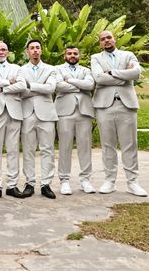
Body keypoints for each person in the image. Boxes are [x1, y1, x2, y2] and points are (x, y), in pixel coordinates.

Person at [91, 30, 147, 197]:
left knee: (130, 144)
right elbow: (98, 78)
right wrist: (124, 76)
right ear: (100, 43)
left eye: (109, 37)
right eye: (103, 39)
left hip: (126, 105)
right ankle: (109, 180)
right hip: (104, 106)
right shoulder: (96, 58)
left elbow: (136, 73)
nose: (106, 41)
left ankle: (132, 182)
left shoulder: (128, 55)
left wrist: (111, 73)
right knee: (107, 145)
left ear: (114, 39)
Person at [0, 41, 27, 200]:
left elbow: (22, 85)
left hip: (14, 111)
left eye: (4, 49)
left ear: (8, 52)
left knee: (13, 149)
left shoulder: (17, 68)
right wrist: (9, 82)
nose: (1, 52)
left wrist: (1, 88)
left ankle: (12, 185)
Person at [18, 39, 58, 199]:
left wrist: (31, 86)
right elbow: (21, 91)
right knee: (28, 150)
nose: (35, 50)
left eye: (37, 48)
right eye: (32, 48)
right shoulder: (20, 70)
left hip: (46, 114)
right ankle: (29, 183)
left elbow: (51, 88)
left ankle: (46, 184)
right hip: (27, 113)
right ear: (27, 51)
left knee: (48, 149)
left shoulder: (51, 69)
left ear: (41, 51)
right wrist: (39, 87)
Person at [54, 46, 96, 195]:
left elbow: (90, 85)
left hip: (84, 111)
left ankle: (86, 179)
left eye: (75, 53)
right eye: (69, 53)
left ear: (79, 55)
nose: (72, 55)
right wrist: (80, 86)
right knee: (65, 146)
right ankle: (64, 180)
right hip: (64, 112)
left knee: (85, 146)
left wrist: (70, 81)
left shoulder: (86, 70)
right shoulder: (57, 69)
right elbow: (58, 85)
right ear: (64, 55)